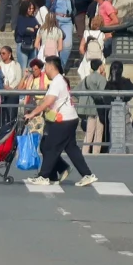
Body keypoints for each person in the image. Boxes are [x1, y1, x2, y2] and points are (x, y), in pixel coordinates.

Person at [33, 55, 95, 187]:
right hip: (69, 118)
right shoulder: (59, 80)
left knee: (50, 147)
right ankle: (85, 174)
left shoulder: (57, 81)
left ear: (51, 66)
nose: (44, 70)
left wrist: (33, 113)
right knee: (70, 148)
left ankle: (44, 176)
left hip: (63, 120)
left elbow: (48, 101)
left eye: (46, 67)